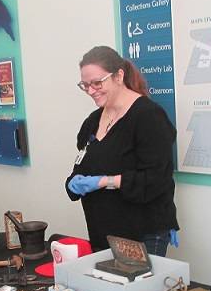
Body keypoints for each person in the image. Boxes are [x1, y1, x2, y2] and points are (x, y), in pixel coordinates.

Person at [65, 45, 179, 256]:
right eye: (85, 85)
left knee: (138, 289)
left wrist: (105, 181)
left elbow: (155, 180)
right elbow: (82, 165)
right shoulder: (92, 121)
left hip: (141, 234)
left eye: (97, 83)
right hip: (102, 233)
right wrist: (74, 182)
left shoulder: (148, 117)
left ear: (118, 76)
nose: (91, 91)